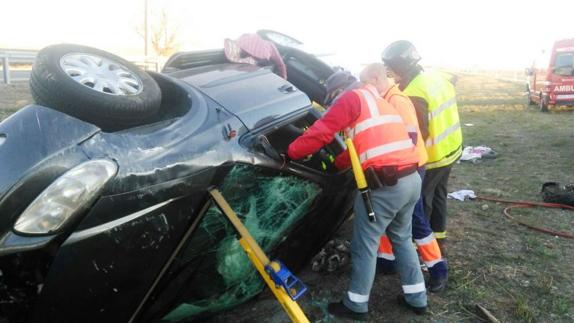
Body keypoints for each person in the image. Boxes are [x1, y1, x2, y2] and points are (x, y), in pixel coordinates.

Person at [287, 63, 427, 320]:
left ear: (340, 91)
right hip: (411, 181)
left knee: (365, 244)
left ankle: (355, 304)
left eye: (331, 99)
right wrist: (338, 164)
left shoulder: (351, 99)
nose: (332, 103)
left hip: (385, 187)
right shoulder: (378, 102)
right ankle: (417, 298)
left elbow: (321, 132)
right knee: (402, 238)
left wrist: (291, 153)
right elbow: (363, 146)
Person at [368, 63, 448, 293]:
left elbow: (410, 140)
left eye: (367, 84)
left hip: (409, 167)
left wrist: (392, 168)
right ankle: (386, 260)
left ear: (376, 79)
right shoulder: (386, 98)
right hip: (397, 167)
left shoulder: (397, 101)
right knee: (384, 212)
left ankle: (437, 268)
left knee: (414, 217)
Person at [382, 40, 463, 252]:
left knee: (422, 202)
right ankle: (439, 236)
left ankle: (423, 247)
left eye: (390, 68)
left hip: (433, 156)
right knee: (438, 195)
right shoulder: (434, 77)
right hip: (452, 148)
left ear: (400, 67)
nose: (389, 73)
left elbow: (417, 133)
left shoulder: (413, 93)